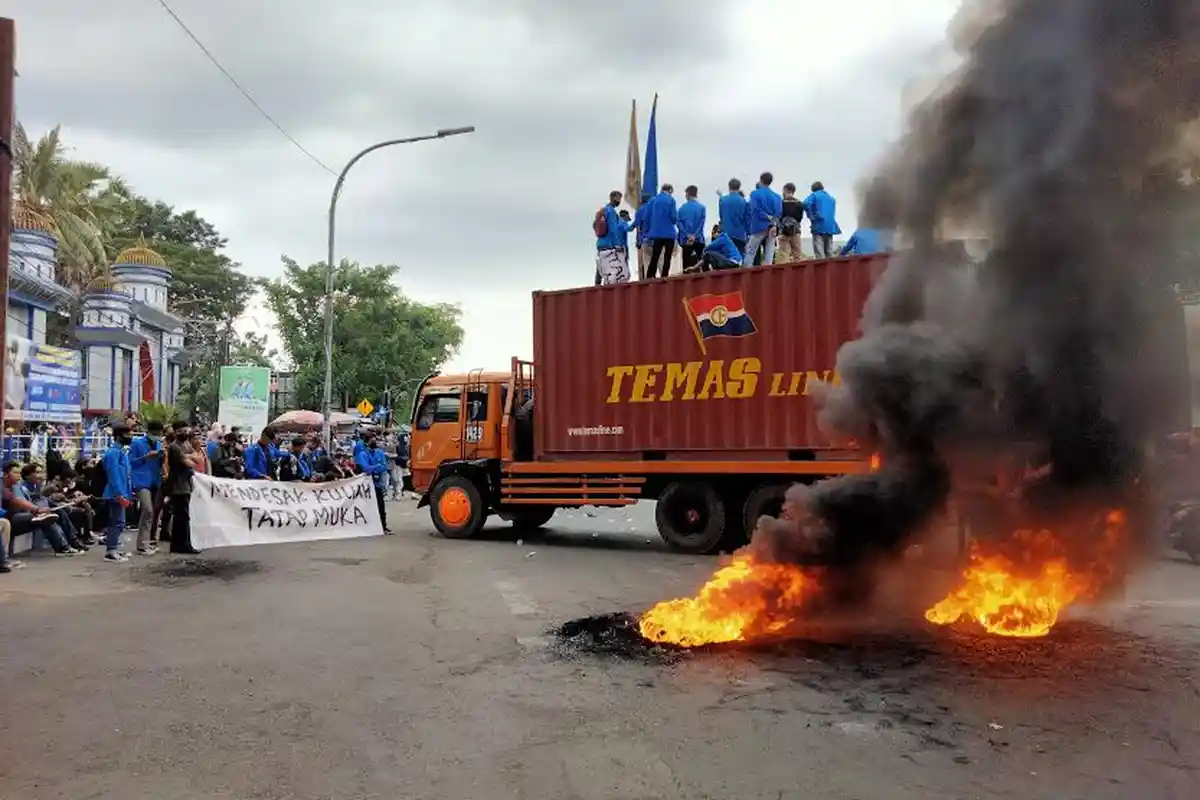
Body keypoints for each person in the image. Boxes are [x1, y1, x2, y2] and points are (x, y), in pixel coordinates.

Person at [129, 420, 165, 555]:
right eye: (158, 433)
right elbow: (131, 462)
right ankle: (142, 544)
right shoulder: (137, 443)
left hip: (155, 480)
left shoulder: (159, 444)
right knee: (148, 509)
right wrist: (145, 457)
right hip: (141, 480)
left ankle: (147, 542)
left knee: (153, 513)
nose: (159, 435)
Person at [165, 428, 201, 555]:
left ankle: (181, 543)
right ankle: (181, 544)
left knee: (184, 516)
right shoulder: (174, 447)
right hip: (178, 486)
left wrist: (188, 456)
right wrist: (189, 457)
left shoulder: (186, 445)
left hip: (186, 484)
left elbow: (198, 459)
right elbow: (189, 463)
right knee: (181, 516)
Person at [101, 426, 134, 563]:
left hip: (122, 492)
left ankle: (114, 548)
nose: (130, 436)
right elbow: (114, 475)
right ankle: (111, 551)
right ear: (119, 436)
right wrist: (119, 494)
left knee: (119, 522)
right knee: (117, 522)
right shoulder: (113, 453)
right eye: (128, 434)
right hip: (115, 493)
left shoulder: (121, 452)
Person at [593, 189, 633, 285]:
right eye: (618, 198)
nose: (619, 201)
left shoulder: (602, 211)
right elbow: (613, 230)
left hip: (601, 245)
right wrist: (617, 245)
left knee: (604, 271)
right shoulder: (611, 212)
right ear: (613, 198)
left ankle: (597, 289)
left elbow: (595, 226)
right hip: (610, 246)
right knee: (617, 274)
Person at [744, 172, 782, 267]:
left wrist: (765, 217)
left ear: (761, 180)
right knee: (769, 252)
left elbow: (755, 209)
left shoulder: (755, 194)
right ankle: (768, 273)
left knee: (751, 251)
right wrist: (773, 223)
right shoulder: (777, 197)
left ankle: (746, 272)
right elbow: (779, 213)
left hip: (759, 226)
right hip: (772, 226)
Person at [355, 435, 392, 534]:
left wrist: (374, 469)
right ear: (367, 443)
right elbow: (366, 468)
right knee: (367, 506)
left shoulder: (380, 453)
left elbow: (384, 467)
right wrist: (377, 467)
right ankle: (367, 527)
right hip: (367, 485)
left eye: (376, 440)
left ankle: (383, 527)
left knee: (381, 507)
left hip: (378, 484)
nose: (376, 442)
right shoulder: (362, 454)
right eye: (373, 440)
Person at [644, 183, 678, 279]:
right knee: (667, 256)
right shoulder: (671, 200)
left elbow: (646, 217)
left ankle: (650, 276)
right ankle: (664, 276)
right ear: (670, 190)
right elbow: (674, 217)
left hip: (656, 233)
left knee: (655, 256)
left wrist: (646, 233)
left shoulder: (652, 200)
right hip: (669, 233)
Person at [803, 181, 842, 259]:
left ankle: (821, 269)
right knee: (829, 251)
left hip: (819, 225)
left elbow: (806, 203)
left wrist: (811, 216)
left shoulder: (814, 195)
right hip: (830, 226)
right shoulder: (831, 198)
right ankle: (830, 268)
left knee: (819, 251)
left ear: (813, 189)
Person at [718, 179, 750, 262]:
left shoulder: (722, 200)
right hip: (740, 234)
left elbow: (721, 217)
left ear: (729, 187)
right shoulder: (744, 201)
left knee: (727, 259)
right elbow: (746, 219)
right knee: (740, 259)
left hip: (726, 233)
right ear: (739, 187)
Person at [676, 185, 707, 273]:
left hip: (685, 241)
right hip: (699, 239)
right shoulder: (702, 208)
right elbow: (701, 224)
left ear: (688, 194)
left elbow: (679, 224)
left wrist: (687, 235)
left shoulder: (681, 209)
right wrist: (695, 236)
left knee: (685, 265)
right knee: (702, 262)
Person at [777, 183, 806, 262]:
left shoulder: (781, 203)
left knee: (783, 255)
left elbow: (778, 217)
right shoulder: (799, 203)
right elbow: (799, 218)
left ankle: (783, 274)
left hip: (783, 232)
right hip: (795, 231)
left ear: (785, 190)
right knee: (797, 255)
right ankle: (798, 273)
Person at [631, 193, 653, 280]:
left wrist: (638, 241)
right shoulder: (654, 210)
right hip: (656, 240)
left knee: (647, 263)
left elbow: (638, 227)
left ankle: (649, 281)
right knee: (660, 263)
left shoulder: (639, 211)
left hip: (645, 241)